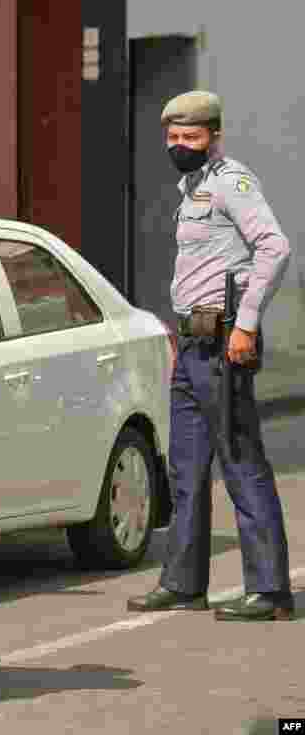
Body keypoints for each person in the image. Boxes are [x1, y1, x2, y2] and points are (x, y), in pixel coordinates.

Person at [127, 91, 293, 622]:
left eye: (191, 137)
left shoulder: (231, 183)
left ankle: (269, 590)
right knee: (186, 467)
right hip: (194, 342)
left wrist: (247, 323)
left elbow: (274, 247)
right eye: (173, 137)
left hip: (225, 341)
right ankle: (183, 583)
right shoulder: (192, 187)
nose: (180, 145)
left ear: (214, 137)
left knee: (240, 461)